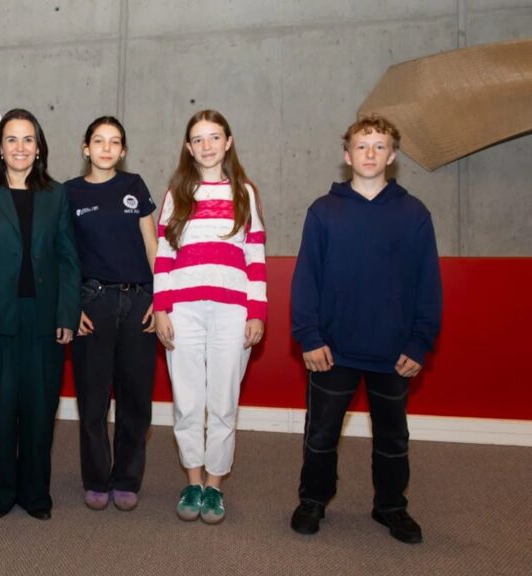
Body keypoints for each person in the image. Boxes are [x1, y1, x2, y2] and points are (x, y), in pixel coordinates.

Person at [289, 115, 442, 544]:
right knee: (321, 433)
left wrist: (419, 341)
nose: (370, 153)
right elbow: (306, 279)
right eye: (362, 146)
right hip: (332, 348)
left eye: (379, 146)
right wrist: (310, 336)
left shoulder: (414, 214)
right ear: (347, 155)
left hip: (393, 350)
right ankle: (313, 500)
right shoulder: (323, 211)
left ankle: (391, 506)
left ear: (392, 156)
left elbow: (428, 282)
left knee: (393, 436)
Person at [0, 108, 81, 521]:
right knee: (2, 406)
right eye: (12, 139)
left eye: (28, 139)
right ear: (0, 147)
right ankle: (2, 493)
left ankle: (35, 494)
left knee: (40, 408)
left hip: (44, 319)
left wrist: (67, 313)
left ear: (39, 146)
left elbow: (68, 259)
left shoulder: (56, 194)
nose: (20, 147)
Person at [153, 110, 267, 524]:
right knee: (187, 402)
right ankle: (194, 480)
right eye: (198, 139)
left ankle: (215, 487)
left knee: (222, 402)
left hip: (232, 311)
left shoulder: (245, 193)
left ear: (228, 142)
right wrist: (162, 307)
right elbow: (164, 256)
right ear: (188, 147)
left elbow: (254, 255)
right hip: (183, 311)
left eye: (214, 137)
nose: (206, 145)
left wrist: (257, 311)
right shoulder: (176, 193)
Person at [65, 116, 158, 511]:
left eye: (114, 141)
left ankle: (127, 478)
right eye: (98, 141)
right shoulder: (68, 193)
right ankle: (97, 478)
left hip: (139, 303)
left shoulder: (134, 186)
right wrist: (72, 308)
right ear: (86, 148)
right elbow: (63, 258)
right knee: (93, 399)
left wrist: (161, 297)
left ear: (123, 150)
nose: (106, 148)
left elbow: (153, 244)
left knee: (136, 398)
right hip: (93, 302)